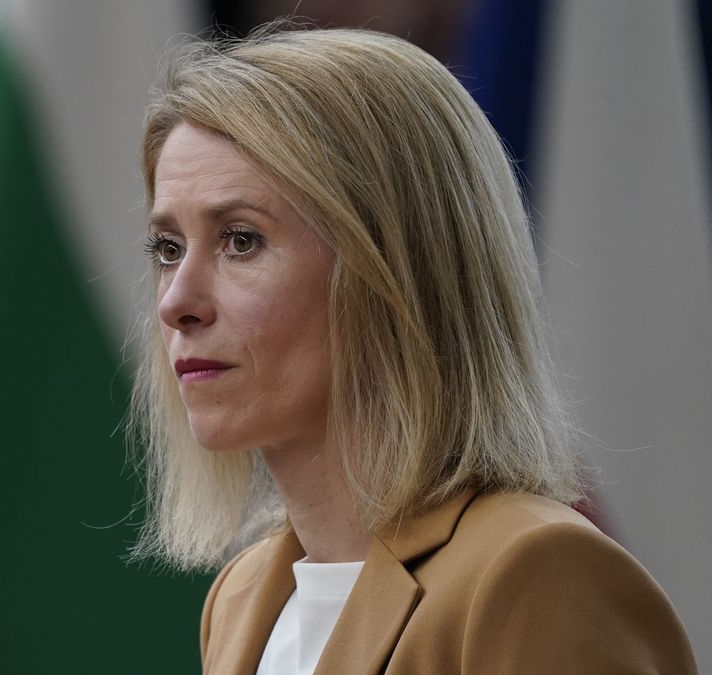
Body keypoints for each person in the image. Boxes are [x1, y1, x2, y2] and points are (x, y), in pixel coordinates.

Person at [129, 27, 696, 673]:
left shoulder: (534, 575)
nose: (176, 300)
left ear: (398, 268)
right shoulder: (239, 599)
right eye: (167, 248)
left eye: (240, 240)